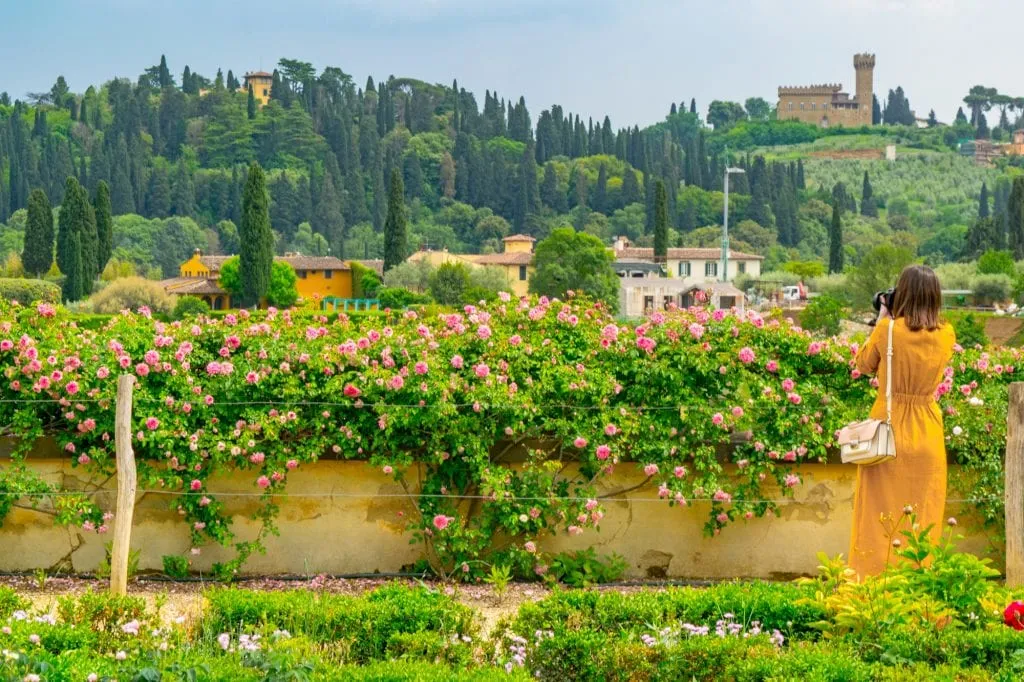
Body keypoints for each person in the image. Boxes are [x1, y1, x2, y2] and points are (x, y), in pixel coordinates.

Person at [849, 265, 956, 577]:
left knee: (876, 517)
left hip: (888, 430)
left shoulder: (889, 330)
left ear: (902, 293)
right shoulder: (947, 334)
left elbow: (864, 364)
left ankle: (871, 588)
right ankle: (920, 593)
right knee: (924, 518)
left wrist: (884, 316)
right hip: (928, 432)